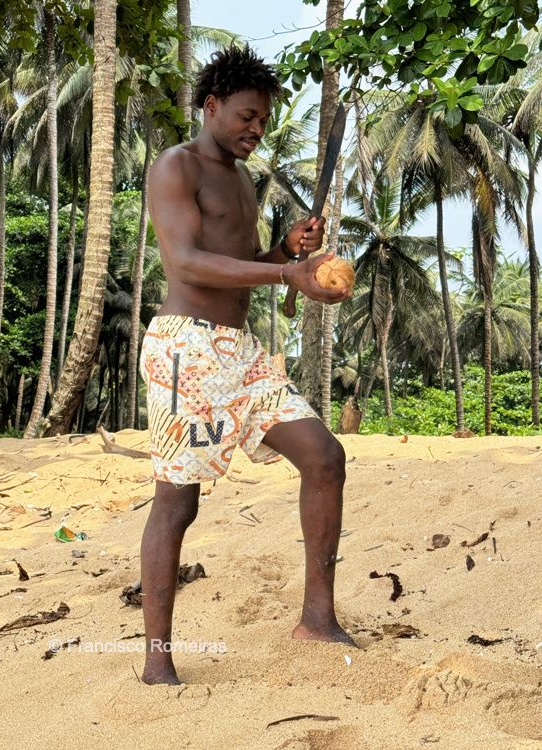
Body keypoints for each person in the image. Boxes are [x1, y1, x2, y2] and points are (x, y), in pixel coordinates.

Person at [139, 44, 355, 686]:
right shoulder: (176, 166)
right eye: (247, 116)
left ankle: (317, 618)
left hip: (241, 352)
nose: (257, 129)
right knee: (177, 504)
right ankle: (157, 661)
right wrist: (288, 273)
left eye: (263, 120)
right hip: (185, 349)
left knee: (325, 457)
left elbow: (241, 264)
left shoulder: (239, 180)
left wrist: (283, 250)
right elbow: (186, 263)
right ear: (212, 106)